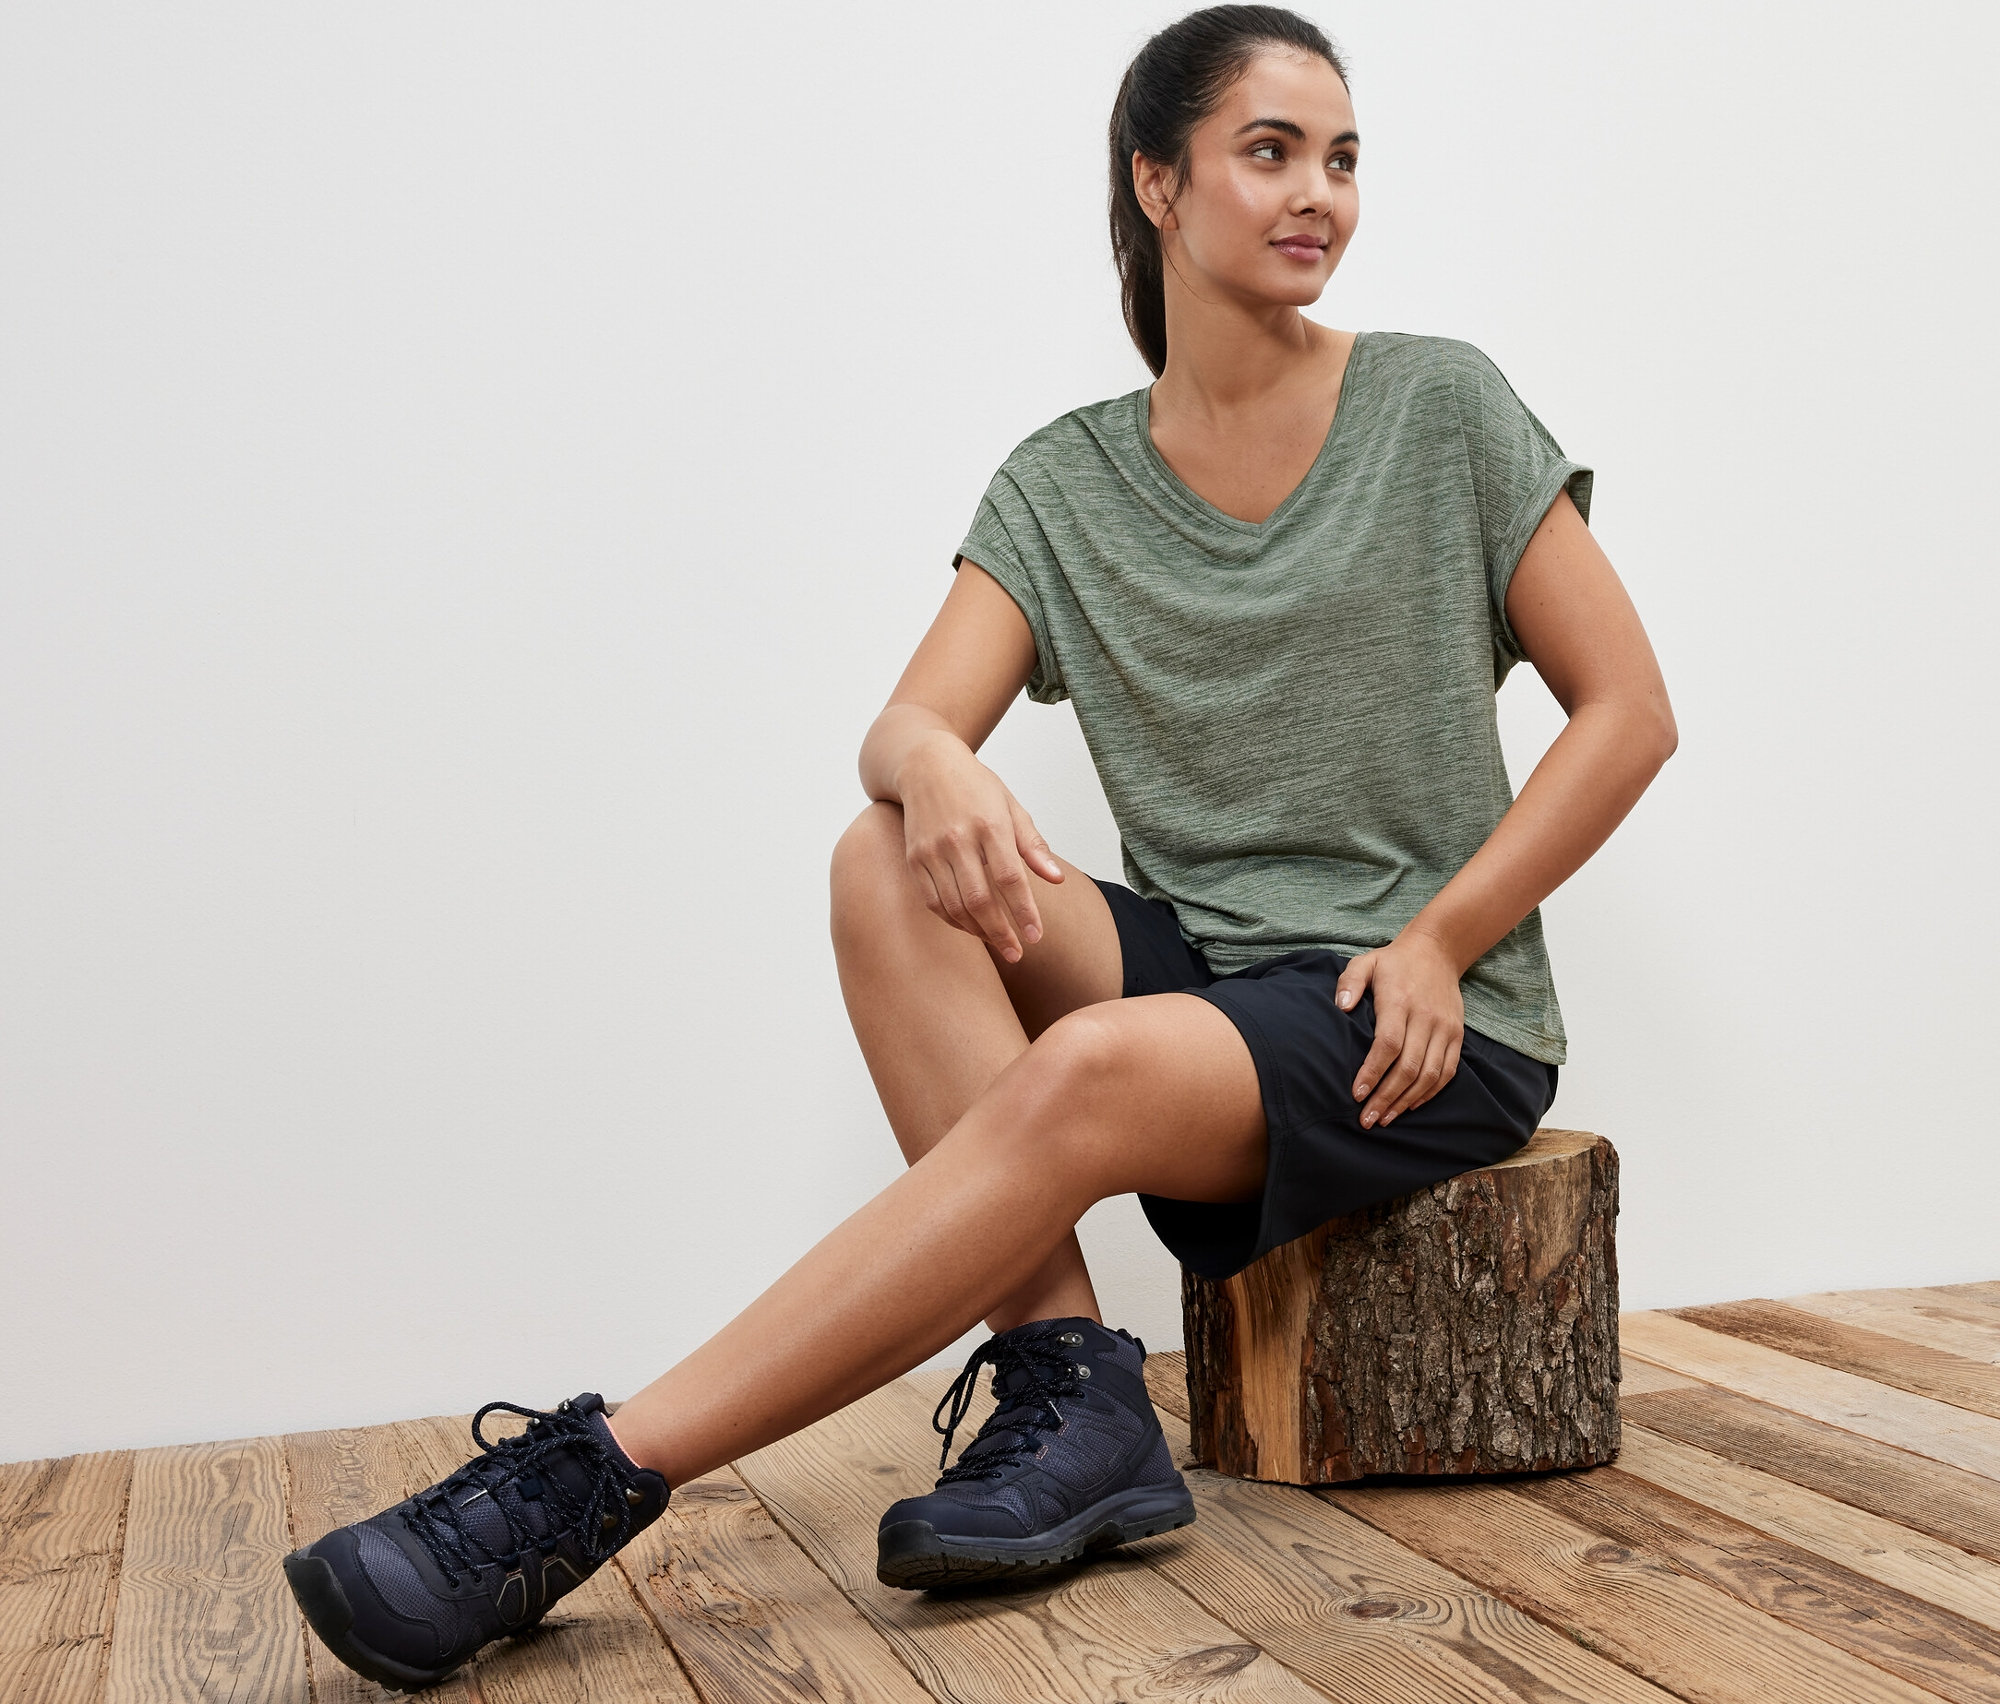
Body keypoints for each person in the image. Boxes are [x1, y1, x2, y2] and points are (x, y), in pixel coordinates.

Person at [281, 4, 1677, 1689]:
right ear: (1156, 183)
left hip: (1415, 1010)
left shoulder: (1441, 409)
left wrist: (1452, 936)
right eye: (1270, 151)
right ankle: (1077, 1389)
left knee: (1085, 1068)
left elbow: (1629, 713)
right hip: (1216, 974)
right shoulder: (1069, 481)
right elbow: (904, 727)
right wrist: (930, 763)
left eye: (1344, 157)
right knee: (881, 859)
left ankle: (586, 1483)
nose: (1321, 193)